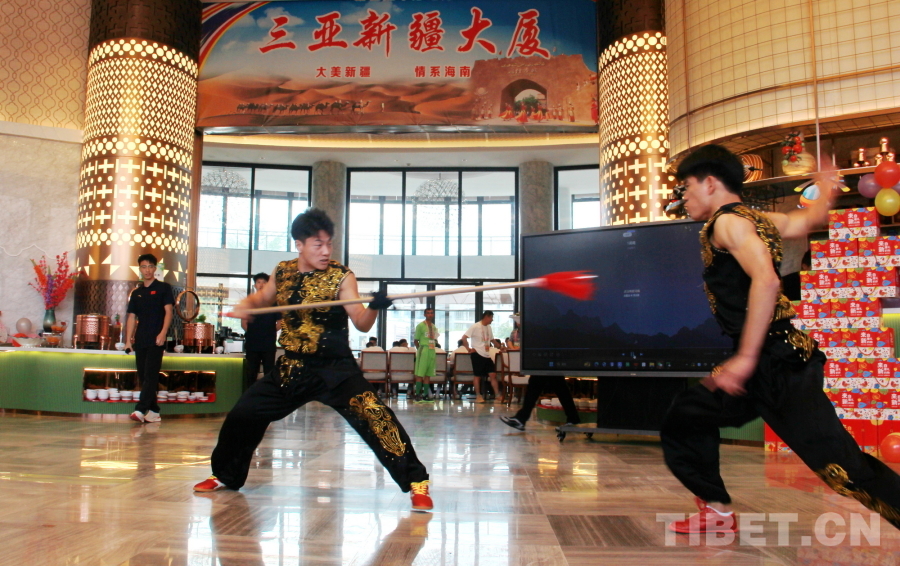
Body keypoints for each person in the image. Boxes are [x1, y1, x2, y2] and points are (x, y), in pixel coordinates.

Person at [661, 144, 900, 534]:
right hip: (766, 362)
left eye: (686, 187)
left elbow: (768, 281)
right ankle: (717, 511)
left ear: (710, 183)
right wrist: (826, 187)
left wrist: (746, 357)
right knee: (686, 416)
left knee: (841, 468)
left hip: (776, 362)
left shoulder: (727, 223)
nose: (683, 197)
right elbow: (806, 220)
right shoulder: (757, 218)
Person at [193, 208, 432, 512]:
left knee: (376, 417)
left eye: (329, 244)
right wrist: (245, 305)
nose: (326, 251)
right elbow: (262, 298)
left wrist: (374, 306)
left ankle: (416, 482)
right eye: (318, 245)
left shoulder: (342, 276)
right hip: (293, 367)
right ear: (299, 245)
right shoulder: (283, 272)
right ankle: (225, 474)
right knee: (244, 413)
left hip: (336, 369)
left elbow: (361, 323)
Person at [124, 253, 174, 424]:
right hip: (140, 339)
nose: (147, 270)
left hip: (156, 339)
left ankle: (140, 409)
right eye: (144, 267)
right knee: (144, 376)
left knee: (151, 375)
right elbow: (131, 317)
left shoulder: (164, 288)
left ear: (155, 268)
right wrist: (128, 340)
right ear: (140, 269)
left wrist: (163, 333)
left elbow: (169, 312)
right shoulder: (137, 293)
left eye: (150, 266)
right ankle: (154, 411)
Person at [241, 272, 280, 392]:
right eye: (258, 282)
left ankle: (268, 396)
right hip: (252, 344)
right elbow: (243, 323)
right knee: (250, 374)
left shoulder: (274, 303)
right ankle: (249, 397)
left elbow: (280, 322)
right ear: (255, 285)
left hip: (268, 345)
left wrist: (268, 331)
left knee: (269, 373)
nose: (261, 285)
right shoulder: (249, 302)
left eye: (264, 282)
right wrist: (254, 333)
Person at [461, 311, 504, 403]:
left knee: (493, 374)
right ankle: (478, 396)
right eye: (491, 318)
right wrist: (468, 349)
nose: (492, 320)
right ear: (487, 317)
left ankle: (497, 395)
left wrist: (500, 346)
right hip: (477, 354)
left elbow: (492, 340)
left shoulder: (488, 327)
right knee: (477, 376)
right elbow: (464, 337)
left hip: (487, 354)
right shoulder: (475, 326)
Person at [413, 307, 439, 402]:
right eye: (428, 313)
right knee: (420, 374)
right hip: (423, 349)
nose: (430, 314)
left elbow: (435, 339)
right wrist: (420, 349)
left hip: (432, 350)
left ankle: (425, 395)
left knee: (428, 374)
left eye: (431, 313)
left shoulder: (434, 327)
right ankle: (417, 394)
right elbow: (416, 340)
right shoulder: (420, 326)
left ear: (433, 314)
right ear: (424, 314)